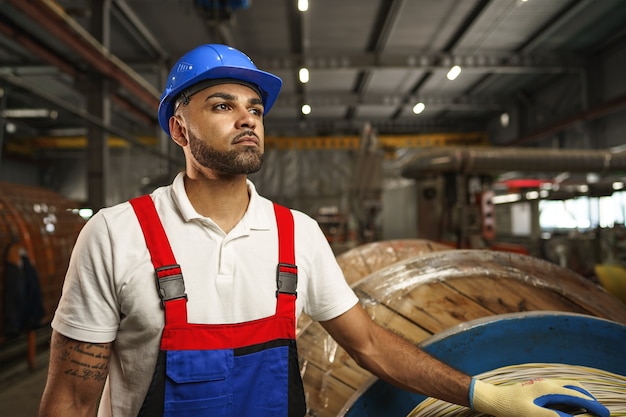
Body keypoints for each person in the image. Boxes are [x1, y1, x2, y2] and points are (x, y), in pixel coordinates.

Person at [38, 44, 609, 417]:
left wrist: (484, 393)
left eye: (255, 108)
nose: (246, 119)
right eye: (222, 105)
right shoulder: (117, 235)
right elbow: (71, 395)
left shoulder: (298, 234)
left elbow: (367, 343)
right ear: (180, 128)